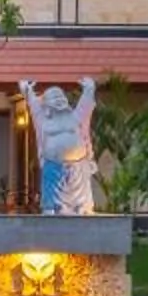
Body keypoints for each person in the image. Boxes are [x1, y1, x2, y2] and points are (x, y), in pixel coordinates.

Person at [22, 77, 98, 215]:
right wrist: (27, 90)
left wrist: (89, 89)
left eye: (60, 97)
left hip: (78, 167)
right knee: (50, 204)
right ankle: (51, 208)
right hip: (53, 165)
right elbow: (34, 107)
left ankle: (81, 206)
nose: (58, 100)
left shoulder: (75, 117)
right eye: (54, 98)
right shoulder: (43, 121)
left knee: (81, 205)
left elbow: (85, 106)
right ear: (46, 105)